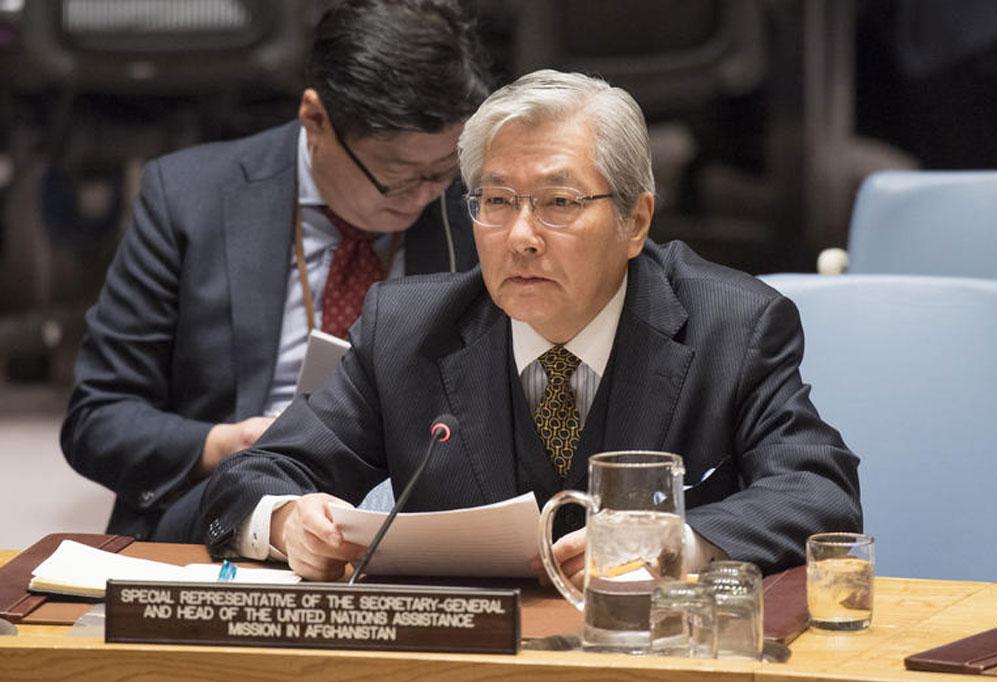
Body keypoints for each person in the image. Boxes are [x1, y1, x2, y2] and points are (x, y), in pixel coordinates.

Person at [199, 70, 862, 582]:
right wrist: (286, 522)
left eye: (558, 203)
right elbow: (255, 474)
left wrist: (681, 541)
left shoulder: (731, 325)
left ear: (635, 221)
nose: (520, 236)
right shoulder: (407, 331)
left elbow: (818, 490)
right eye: (496, 201)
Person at [60, 0, 491, 541]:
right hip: (231, 504)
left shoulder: (477, 208)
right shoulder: (190, 199)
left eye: (442, 170)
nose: (423, 196)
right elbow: (97, 419)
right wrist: (225, 445)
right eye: (398, 176)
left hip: (409, 503)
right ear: (315, 119)